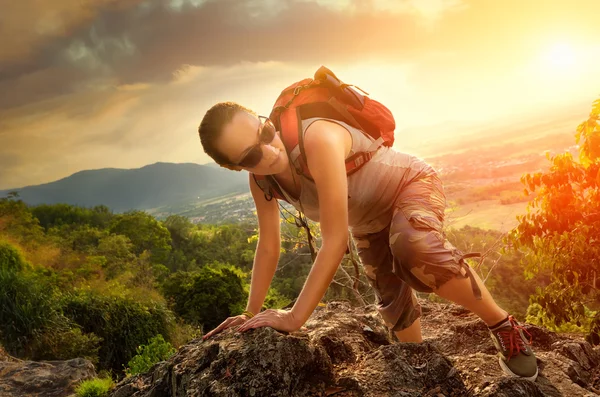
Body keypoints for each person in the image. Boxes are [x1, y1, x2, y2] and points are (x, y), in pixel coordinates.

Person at [197, 101, 538, 381]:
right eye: (251, 155)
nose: (268, 149)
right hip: (369, 222)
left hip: (409, 185)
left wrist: (294, 318)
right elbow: (268, 246)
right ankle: (420, 364)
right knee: (393, 304)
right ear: (233, 166)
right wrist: (249, 313)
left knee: (415, 249)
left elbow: (333, 241)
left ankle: (503, 326)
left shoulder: (316, 139)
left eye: (265, 132)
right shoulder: (262, 183)